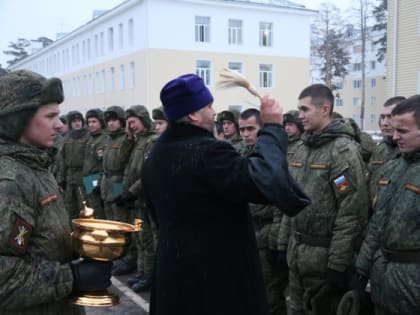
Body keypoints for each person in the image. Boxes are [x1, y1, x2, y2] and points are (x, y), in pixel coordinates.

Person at [141, 73, 310, 315]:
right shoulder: (208, 154)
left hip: (173, 279)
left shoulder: (154, 157)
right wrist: (272, 127)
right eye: (209, 106)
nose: (214, 112)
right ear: (193, 114)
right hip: (216, 284)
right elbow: (267, 180)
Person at [0, 70, 112, 314]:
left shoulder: (35, 166)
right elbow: (4, 275)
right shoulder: (9, 183)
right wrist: (72, 278)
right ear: (19, 120)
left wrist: (80, 244)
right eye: (50, 116)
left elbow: (32, 238)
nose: (60, 125)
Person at [277, 84, 369, 315]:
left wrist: (337, 265)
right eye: (299, 109)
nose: (300, 116)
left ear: (325, 109)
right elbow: (292, 202)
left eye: (305, 109)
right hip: (296, 253)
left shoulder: (342, 152)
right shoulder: (301, 150)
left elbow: (351, 212)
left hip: (323, 258)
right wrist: (282, 244)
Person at [354, 95, 420, 315]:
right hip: (385, 281)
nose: (394, 136)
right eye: (394, 130)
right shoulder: (395, 166)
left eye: (402, 131)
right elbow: (377, 225)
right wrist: (361, 271)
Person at [239, 108, 289, 315]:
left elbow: (282, 203)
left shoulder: (275, 157)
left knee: (271, 296)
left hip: (268, 234)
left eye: (251, 128)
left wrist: (277, 242)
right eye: (242, 129)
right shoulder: (241, 155)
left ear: (262, 128)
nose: (245, 134)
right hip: (248, 234)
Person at [115, 105, 156, 289]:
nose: (130, 125)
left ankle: (150, 275)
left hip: (144, 200)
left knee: (146, 240)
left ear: (143, 119)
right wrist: (129, 137)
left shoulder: (152, 141)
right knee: (139, 238)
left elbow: (148, 173)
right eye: (128, 123)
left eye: (133, 122)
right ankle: (142, 271)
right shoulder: (137, 141)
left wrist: (132, 191)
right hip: (136, 201)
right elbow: (121, 160)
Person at [367, 96, 406, 204]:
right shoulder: (380, 149)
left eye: (390, 117)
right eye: (382, 117)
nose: (384, 123)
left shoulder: (410, 150)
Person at [57, 110, 90, 222]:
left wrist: (90, 181)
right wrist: (61, 179)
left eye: (79, 121)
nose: (77, 123)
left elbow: (90, 160)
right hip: (69, 178)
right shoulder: (67, 138)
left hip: (83, 178)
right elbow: (62, 160)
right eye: (74, 121)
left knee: (84, 208)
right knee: (70, 209)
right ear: (70, 123)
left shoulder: (88, 137)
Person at [82, 108, 107, 219]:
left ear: (101, 122)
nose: (91, 125)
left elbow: (103, 165)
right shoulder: (91, 139)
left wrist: (99, 183)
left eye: (94, 122)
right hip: (89, 179)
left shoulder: (104, 139)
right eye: (89, 122)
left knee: (99, 211)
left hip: (97, 178)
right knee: (92, 209)